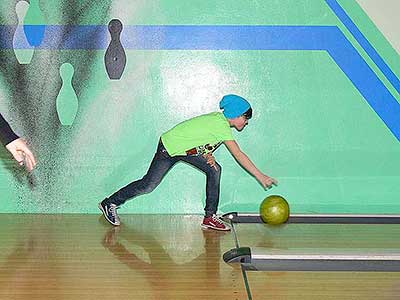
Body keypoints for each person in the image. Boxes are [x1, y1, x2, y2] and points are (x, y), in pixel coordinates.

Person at [99, 94, 278, 231]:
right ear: (236, 115)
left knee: (214, 169)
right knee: (148, 185)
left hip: (185, 150)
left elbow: (199, 137)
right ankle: (110, 202)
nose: (246, 123)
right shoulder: (221, 125)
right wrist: (260, 176)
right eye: (245, 118)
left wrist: (207, 154)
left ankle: (209, 217)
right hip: (169, 148)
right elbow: (238, 153)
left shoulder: (219, 123)